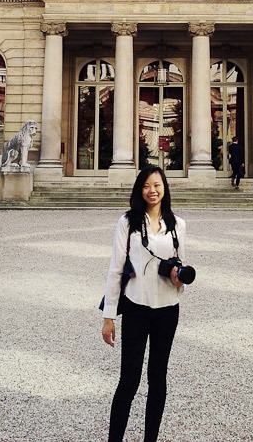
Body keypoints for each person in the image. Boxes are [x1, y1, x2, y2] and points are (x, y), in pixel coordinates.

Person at [101, 165, 187, 442]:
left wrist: (177, 277)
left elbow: (182, 267)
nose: (153, 190)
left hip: (167, 310)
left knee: (158, 378)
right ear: (140, 189)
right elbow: (116, 269)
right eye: (147, 185)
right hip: (137, 306)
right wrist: (109, 316)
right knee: (129, 380)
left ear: (165, 188)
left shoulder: (177, 225)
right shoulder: (127, 222)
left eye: (157, 185)